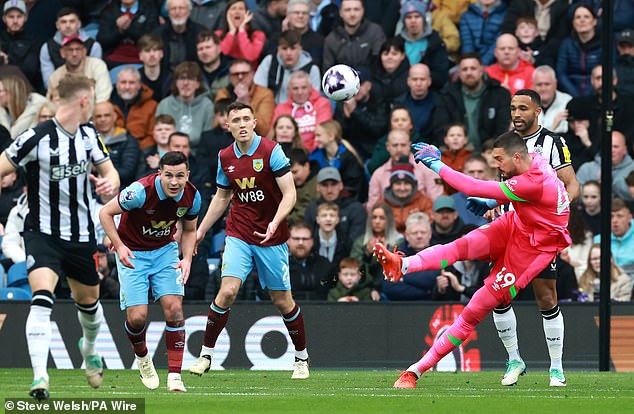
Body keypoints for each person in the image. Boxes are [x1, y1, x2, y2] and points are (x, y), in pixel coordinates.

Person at [374, 131, 571, 388]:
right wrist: (492, 199)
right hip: (517, 224)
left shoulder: (534, 181)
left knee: (478, 305)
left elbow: (472, 186)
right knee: (459, 247)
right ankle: (403, 264)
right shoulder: (534, 160)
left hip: (534, 248)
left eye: (499, 160)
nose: (496, 166)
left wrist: (436, 163)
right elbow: (520, 196)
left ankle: (416, 370)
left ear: (516, 156)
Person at [0, 76, 120, 400]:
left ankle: (89, 349)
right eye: (93, 98)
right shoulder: (35, 136)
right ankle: (40, 378)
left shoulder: (89, 136)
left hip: (80, 236)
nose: (94, 103)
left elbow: (111, 172)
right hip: (41, 233)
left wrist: (110, 183)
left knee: (90, 305)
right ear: (84, 101)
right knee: (41, 298)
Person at [189, 102, 310, 379]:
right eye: (236, 120)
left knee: (282, 301)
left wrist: (275, 221)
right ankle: (205, 355)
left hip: (272, 236)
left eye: (246, 119)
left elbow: (289, 194)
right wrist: (201, 230)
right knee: (228, 291)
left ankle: (301, 357)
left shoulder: (271, 151)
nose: (242, 124)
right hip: (239, 232)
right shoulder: (225, 156)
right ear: (227, 126)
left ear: (255, 122)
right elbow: (222, 197)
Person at [480, 88, 578, 387]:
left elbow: (571, 184)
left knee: (546, 297)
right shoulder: (506, 143)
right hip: (509, 229)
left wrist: (558, 213)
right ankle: (514, 359)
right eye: (513, 108)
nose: (516, 114)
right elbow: (505, 186)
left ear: (538, 111)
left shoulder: (553, 142)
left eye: (523, 108)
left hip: (539, 233)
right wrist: (494, 206)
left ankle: (556, 368)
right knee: (498, 295)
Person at [99, 151, 201, 392]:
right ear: (160, 174)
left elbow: (189, 230)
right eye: (168, 176)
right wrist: (120, 245)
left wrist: (186, 258)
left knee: (174, 309)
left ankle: (175, 376)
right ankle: (143, 358)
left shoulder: (193, 197)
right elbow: (105, 213)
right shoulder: (139, 192)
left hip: (165, 251)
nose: (174, 182)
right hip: (133, 253)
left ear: (187, 175)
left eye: (179, 176)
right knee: (137, 318)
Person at [435, 53, 511, 152]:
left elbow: (503, 127)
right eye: (464, 69)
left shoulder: (499, 94)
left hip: (491, 153)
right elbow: (441, 127)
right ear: (459, 73)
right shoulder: (447, 95)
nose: (469, 73)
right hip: (456, 154)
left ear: (481, 70)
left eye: (473, 68)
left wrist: (492, 146)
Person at [156, 61, 215, 152]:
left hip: (197, 156)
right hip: (168, 154)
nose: (186, 83)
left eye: (191, 79)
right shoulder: (165, 104)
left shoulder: (207, 106)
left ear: (198, 84)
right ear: (176, 82)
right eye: (182, 78)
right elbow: (158, 135)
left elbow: (208, 140)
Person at [39, 7, 103, 90]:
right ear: (57, 25)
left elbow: (95, 79)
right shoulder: (47, 48)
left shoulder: (93, 46)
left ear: (79, 24)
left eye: (72, 21)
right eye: (63, 22)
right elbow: (49, 84)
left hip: (87, 93)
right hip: (58, 95)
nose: (68, 26)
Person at [350, 201, 400, 299]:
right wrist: (367, 255)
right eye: (374, 217)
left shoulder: (399, 242)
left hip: (391, 288)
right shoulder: (360, 242)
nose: (377, 221)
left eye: (382, 218)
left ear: (389, 221)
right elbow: (354, 271)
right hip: (364, 289)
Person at [322, 0, 385, 78]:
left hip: (371, 85)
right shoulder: (331, 39)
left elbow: (381, 65)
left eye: (356, 9)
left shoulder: (375, 32)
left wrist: (370, 84)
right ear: (340, 13)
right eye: (347, 10)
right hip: (342, 86)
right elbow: (328, 72)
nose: (352, 14)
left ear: (363, 11)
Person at [215, 58, 275, 137]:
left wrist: (246, 103)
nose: (240, 77)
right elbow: (215, 125)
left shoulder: (265, 94)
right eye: (236, 74)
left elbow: (264, 130)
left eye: (244, 73)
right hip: (226, 138)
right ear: (230, 77)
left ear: (252, 74)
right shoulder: (223, 93)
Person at [398, 1, 449, 90]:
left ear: (424, 19)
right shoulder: (397, 43)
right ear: (404, 21)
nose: (413, 21)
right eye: (408, 17)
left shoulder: (435, 42)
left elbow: (441, 76)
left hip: (430, 91)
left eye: (417, 16)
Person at [46, 35, 112, 103]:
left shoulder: (97, 66)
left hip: (95, 110)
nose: (74, 54)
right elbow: (50, 103)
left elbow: (104, 96)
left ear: (84, 51)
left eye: (78, 49)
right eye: (70, 50)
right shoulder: (55, 77)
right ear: (62, 53)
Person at [92, 101, 141, 189]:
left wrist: (99, 168)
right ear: (93, 119)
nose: (103, 119)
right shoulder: (89, 141)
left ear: (114, 117)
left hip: (121, 191)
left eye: (107, 115)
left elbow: (128, 173)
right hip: (93, 191)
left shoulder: (127, 140)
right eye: (98, 116)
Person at [97, 0, 160, 67]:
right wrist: (119, 31)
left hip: (142, 59)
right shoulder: (109, 11)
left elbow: (152, 40)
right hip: (113, 60)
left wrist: (130, 29)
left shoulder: (149, 9)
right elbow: (102, 40)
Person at [556, 4, 601, 97]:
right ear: (573, 22)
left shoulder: (605, 44)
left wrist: (590, 95)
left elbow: (608, 71)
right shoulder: (566, 44)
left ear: (594, 21)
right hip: (570, 94)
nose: (582, 20)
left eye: (586, 17)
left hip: (597, 94)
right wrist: (576, 95)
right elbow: (561, 74)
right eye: (578, 17)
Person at [110, 66, 158, 150]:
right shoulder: (108, 106)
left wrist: (134, 151)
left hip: (142, 152)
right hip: (112, 152)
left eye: (131, 83)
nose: (127, 87)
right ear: (117, 85)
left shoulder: (152, 106)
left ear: (139, 85)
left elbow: (152, 136)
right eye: (123, 82)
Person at [377, 161, 433, 234]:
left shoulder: (425, 203)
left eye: (406, 183)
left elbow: (429, 226)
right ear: (391, 186)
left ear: (413, 185)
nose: (402, 188)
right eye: (398, 183)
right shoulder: (382, 204)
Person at [152, 0, 206, 71]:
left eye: (181, 8)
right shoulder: (157, 35)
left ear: (189, 12)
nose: (177, 12)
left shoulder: (200, 33)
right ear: (168, 12)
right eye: (173, 9)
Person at [287, 221, 334, 300]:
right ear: (288, 240)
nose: (300, 243)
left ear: (312, 241)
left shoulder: (324, 265)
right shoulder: (279, 266)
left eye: (305, 239)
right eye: (296, 238)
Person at [0, 0, 41, 90]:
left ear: (25, 18)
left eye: (19, 17)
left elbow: (29, 71)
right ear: (4, 19)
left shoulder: (33, 41)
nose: (15, 21)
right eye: (11, 17)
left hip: (22, 89)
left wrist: (7, 62)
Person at [215, 0, 265, 65]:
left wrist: (241, 30)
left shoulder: (258, 35)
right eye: (233, 9)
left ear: (247, 14)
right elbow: (220, 55)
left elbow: (251, 57)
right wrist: (232, 31)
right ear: (227, 14)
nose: (237, 12)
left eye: (241, 9)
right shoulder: (218, 34)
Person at [459, 0, 508, 66]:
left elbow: (497, 43)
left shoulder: (506, 15)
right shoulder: (466, 16)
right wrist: (471, 64)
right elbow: (467, 44)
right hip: (471, 64)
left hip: (496, 62)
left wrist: (482, 64)